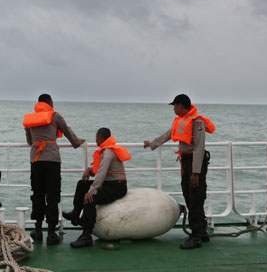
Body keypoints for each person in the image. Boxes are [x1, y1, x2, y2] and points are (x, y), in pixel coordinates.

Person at [143, 93, 215, 249]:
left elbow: (199, 147)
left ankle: (196, 237)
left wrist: (196, 172)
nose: (174, 108)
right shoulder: (181, 121)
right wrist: (151, 144)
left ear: (182, 106)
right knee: (189, 196)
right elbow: (167, 135)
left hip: (196, 164)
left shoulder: (197, 122)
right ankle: (202, 230)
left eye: (175, 105)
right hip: (185, 162)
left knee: (196, 197)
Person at [23, 93, 85, 245]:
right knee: (52, 196)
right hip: (52, 159)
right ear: (50, 103)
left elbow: (30, 140)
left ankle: (37, 230)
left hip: (36, 160)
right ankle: (51, 232)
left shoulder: (30, 118)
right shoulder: (54, 116)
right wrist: (76, 143)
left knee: (37, 194)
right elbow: (67, 130)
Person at [66, 128, 131, 248]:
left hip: (117, 186)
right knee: (82, 184)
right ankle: (76, 214)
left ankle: (86, 236)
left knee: (90, 199)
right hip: (109, 183)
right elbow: (98, 170)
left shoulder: (108, 152)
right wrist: (89, 171)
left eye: (96, 138)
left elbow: (101, 173)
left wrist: (92, 190)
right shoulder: (106, 150)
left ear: (101, 138)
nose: (95, 140)